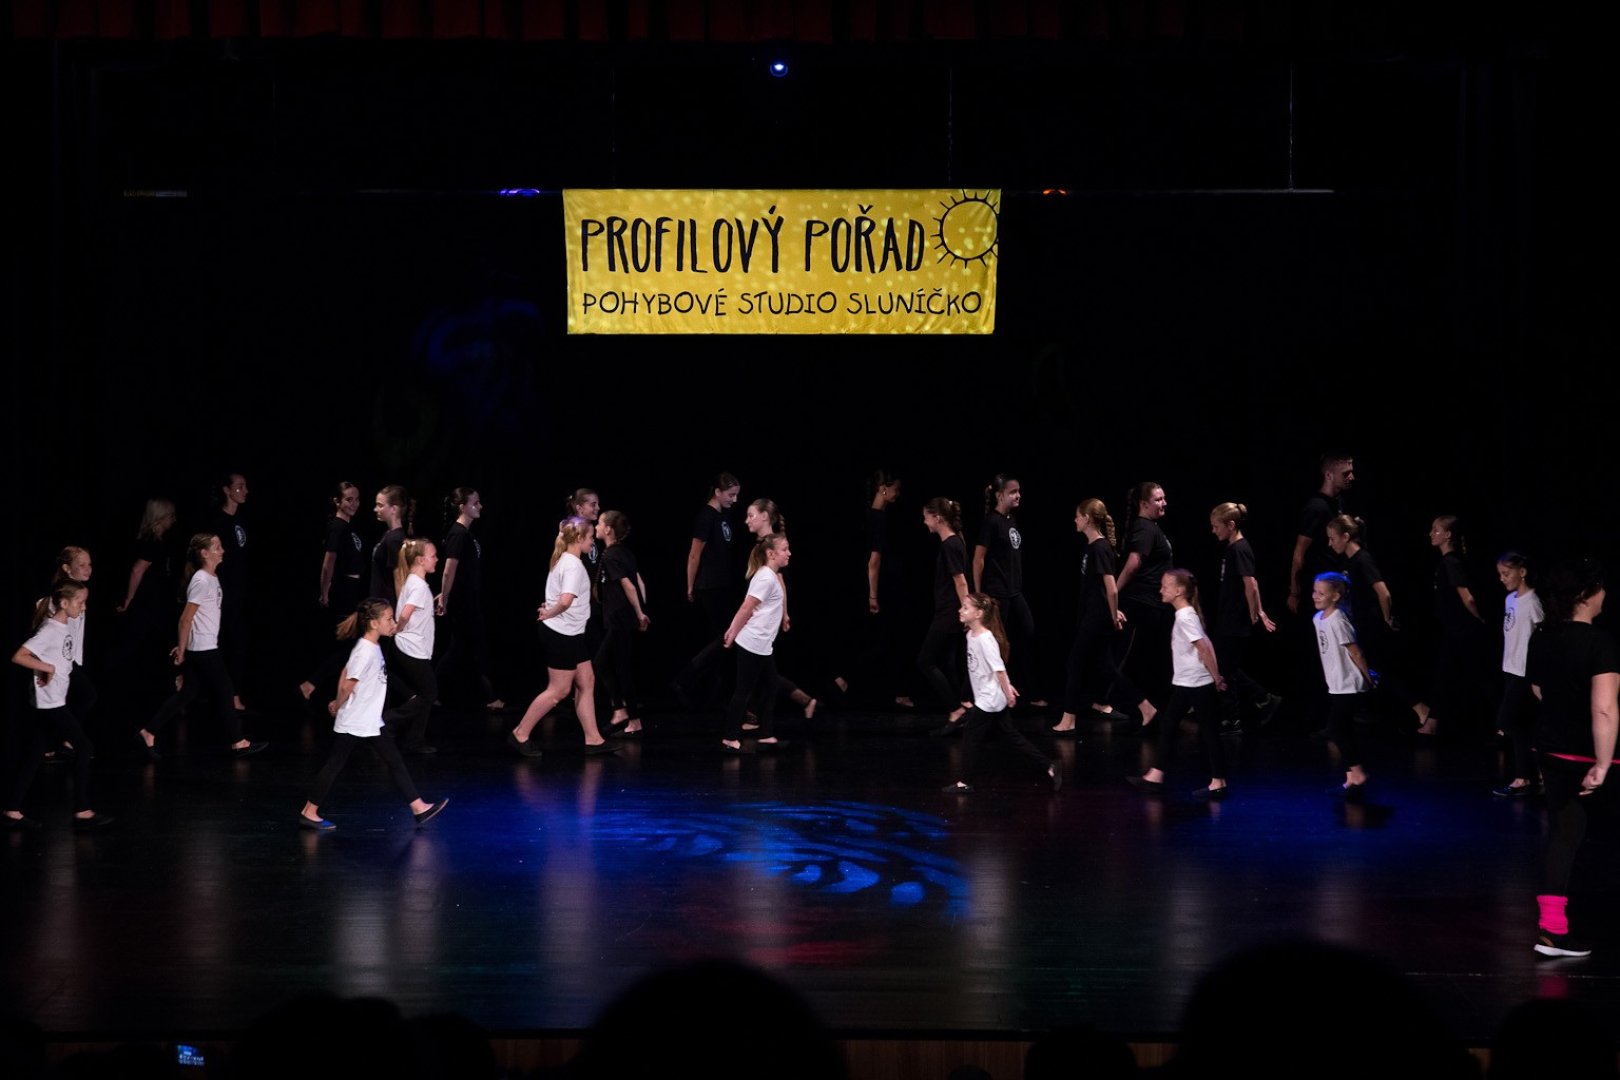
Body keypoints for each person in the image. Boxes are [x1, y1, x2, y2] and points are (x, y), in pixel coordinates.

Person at [1526, 558, 1617, 958]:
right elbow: (1604, 709)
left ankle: (1553, 929)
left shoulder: (1541, 636)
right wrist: (1602, 763)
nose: (1605, 594)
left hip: (1551, 748)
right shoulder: (1599, 641)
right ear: (1585, 595)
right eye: (1600, 588)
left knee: (1565, 834)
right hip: (1591, 755)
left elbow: (1538, 690)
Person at [297, 597, 449, 832]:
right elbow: (348, 683)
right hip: (356, 720)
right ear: (374, 623)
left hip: (368, 719)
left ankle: (418, 807)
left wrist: (337, 701)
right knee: (335, 764)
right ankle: (309, 811)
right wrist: (337, 703)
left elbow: (345, 670)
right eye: (389, 619)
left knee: (394, 762)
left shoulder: (371, 647)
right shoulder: (365, 651)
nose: (393, 623)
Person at [137, 533, 268, 760]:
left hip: (204, 645)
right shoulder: (201, 580)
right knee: (225, 691)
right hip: (203, 648)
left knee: (187, 693)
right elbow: (185, 619)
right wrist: (182, 649)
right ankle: (238, 742)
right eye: (217, 547)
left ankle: (148, 732)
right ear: (204, 553)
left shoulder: (210, 578)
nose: (222, 550)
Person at [6, 579, 112, 829]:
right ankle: (82, 811)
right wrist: (47, 668)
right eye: (80, 602)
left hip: (55, 700)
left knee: (35, 754)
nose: (84, 607)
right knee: (84, 747)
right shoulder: (50, 630)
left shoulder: (64, 627)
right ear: (64, 603)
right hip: (50, 703)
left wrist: (53, 669)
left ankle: (12, 809)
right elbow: (19, 656)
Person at [508, 517, 617, 758]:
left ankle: (593, 739)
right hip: (561, 634)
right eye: (590, 538)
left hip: (571, 633)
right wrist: (550, 612)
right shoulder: (572, 565)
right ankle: (520, 733)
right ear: (578, 538)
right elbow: (566, 600)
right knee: (559, 690)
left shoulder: (565, 560)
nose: (592, 542)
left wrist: (551, 609)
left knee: (587, 680)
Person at [941, 593, 1061, 794]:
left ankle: (965, 782)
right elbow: (994, 669)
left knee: (970, 737)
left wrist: (1008, 692)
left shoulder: (986, 639)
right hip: (990, 696)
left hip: (989, 700)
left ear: (979, 613)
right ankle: (1049, 766)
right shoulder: (971, 635)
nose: (960, 610)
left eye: (966, 607)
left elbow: (999, 670)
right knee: (1011, 736)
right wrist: (1007, 687)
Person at [1128, 570, 1229, 799]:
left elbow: (1204, 647)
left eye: (1165, 586)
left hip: (1195, 683)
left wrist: (1216, 677)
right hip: (1188, 682)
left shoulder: (1185, 617)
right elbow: (1207, 643)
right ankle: (1156, 775)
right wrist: (1216, 675)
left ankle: (1218, 781)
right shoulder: (1187, 614)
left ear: (1178, 591)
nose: (1161, 590)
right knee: (1170, 725)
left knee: (1207, 731)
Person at [833, 469, 908, 708]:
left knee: (875, 638)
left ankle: (848, 678)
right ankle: (848, 678)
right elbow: (873, 561)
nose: (897, 494)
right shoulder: (878, 519)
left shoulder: (872, 516)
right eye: (895, 489)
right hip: (877, 589)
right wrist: (873, 595)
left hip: (872, 587)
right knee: (882, 639)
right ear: (883, 489)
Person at [1052, 499, 1124, 735]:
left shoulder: (1100, 548)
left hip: (1097, 618)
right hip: (1092, 615)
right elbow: (1101, 590)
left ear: (1087, 518)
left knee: (1074, 663)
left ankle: (1068, 720)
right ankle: (1147, 708)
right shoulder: (1092, 547)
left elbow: (1112, 589)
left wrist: (1113, 615)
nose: (1075, 520)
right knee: (1106, 666)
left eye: (1078, 515)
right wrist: (1113, 610)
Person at [1208, 503, 1281, 732]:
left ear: (1231, 525)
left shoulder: (1240, 548)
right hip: (1228, 616)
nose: (1213, 531)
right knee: (1225, 666)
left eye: (1216, 526)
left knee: (1225, 668)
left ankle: (1235, 716)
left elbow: (1251, 583)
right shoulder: (1233, 548)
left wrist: (1256, 611)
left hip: (1235, 619)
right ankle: (1262, 698)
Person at [672, 473, 741, 709]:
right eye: (731, 495)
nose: (734, 499)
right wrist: (690, 585)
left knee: (726, 640)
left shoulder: (724, 515)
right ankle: (684, 679)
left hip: (723, 584)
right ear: (717, 492)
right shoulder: (706, 517)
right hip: (709, 585)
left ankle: (713, 692)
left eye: (736, 495)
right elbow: (694, 554)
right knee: (726, 636)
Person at [973, 474, 1043, 708]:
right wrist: (979, 594)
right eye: (1013, 492)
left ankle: (1028, 690)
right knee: (996, 643)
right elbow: (978, 559)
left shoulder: (1011, 519)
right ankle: (987, 693)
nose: (1018, 495)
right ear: (999, 495)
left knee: (1028, 633)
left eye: (1018, 491)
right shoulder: (991, 522)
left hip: (1015, 591)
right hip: (997, 592)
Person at [720, 533, 792, 753]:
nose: (789, 553)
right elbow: (747, 606)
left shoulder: (770, 575)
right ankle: (729, 739)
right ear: (771, 554)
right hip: (753, 643)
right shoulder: (766, 578)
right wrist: (732, 631)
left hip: (762, 644)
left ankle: (766, 735)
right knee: (743, 691)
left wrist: (784, 616)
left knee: (771, 685)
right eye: (784, 550)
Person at [1111, 482, 1174, 730]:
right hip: (1140, 605)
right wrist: (1114, 592)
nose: (1163, 503)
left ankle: (1148, 709)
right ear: (1143, 504)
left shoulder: (1151, 527)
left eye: (1164, 498)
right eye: (1158, 499)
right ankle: (1128, 706)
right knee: (1128, 660)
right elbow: (1133, 564)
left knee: (1147, 660)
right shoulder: (1145, 528)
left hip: (1152, 606)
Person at [299, 482, 367, 704]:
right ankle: (312, 684)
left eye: (357, 499)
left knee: (350, 645)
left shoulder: (348, 527)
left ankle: (324, 688)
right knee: (350, 645)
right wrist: (325, 591)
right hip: (343, 590)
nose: (354, 504)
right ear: (337, 502)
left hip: (353, 589)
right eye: (349, 499)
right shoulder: (337, 527)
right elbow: (328, 563)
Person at [435, 486, 502, 711]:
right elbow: (449, 570)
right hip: (463, 603)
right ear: (462, 507)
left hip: (468, 600)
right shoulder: (458, 533)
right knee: (468, 648)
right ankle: (489, 697)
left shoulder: (466, 533)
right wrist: (445, 596)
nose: (480, 506)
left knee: (462, 650)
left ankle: (431, 692)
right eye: (475, 503)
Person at [1422, 514, 1488, 738]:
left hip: (1461, 631)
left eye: (1436, 530)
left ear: (1448, 535)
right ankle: (1436, 723)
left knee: (1458, 675)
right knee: (1451, 675)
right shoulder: (1447, 562)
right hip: (1453, 630)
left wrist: (1479, 619)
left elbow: (1467, 597)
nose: (1431, 534)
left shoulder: (1451, 562)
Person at [1311, 572, 1374, 797]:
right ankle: (1351, 778)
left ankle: (1358, 773)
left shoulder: (1339, 619)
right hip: (1336, 682)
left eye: (1321, 593)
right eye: (1314, 591)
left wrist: (1368, 677)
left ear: (1335, 596)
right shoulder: (1318, 618)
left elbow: (1356, 652)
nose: (1315, 596)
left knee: (1336, 728)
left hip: (1350, 683)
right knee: (1342, 729)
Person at [1492, 552, 1543, 797]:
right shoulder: (1510, 599)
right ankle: (1526, 776)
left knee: (1507, 721)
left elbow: (1542, 638)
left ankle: (1531, 773)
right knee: (1520, 726)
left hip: (1525, 672)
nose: (1502, 579)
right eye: (1500, 574)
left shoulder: (1532, 602)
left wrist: (1537, 675)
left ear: (1522, 572)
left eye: (1506, 573)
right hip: (1510, 669)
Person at [918, 498, 971, 734]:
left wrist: (967, 612)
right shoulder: (955, 541)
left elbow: (960, 581)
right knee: (948, 662)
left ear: (938, 518)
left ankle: (956, 710)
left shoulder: (950, 544)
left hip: (949, 613)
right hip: (949, 611)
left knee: (925, 661)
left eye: (926, 517)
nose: (925, 522)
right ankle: (962, 708)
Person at [594, 510, 649, 737]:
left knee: (605, 664)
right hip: (623, 618)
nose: (596, 526)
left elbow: (629, 584)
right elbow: (640, 581)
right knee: (619, 667)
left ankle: (624, 712)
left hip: (620, 619)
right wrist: (641, 610)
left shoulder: (611, 555)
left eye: (599, 523)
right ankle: (628, 715)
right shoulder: (623, 552)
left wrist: (639, 613)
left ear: (608, 529)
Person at [386, 539, 439, 755]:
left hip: (413, 646)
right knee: (429, 693)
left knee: (424, 695)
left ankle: (414, 740)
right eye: (433, 556)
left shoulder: (413, 581)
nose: (436, 559)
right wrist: (397, 628)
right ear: (420, 560)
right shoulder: (419, 585)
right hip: (412, 647)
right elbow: (406, 613)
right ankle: (387, 721)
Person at [1287, 452, 1354, 616]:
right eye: (1346, 473)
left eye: (1351, 472)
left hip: (1336, 584)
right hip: (1319, 587)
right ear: (1329, 475)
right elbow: (1299, 551)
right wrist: (1295, 591)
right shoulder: (1316, 507)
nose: (1351, 477)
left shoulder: (1339, 501)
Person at [210, 471, 252, 712]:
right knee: (220, 643)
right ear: (227, 490)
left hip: (239, 592)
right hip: (222, 593)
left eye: (245, 486)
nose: (244, 491)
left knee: (238, 643)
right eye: (239, 486)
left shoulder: (241, 520)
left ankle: (233, 693)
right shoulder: (218, 522)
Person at [369, 485, 413, 602]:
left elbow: (399, 578)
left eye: (380, 505)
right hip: (380, 603)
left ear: (394, 509)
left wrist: (401, 609)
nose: (375, 509)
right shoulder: (389, 535)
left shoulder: (395, 539)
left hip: (387, 604)